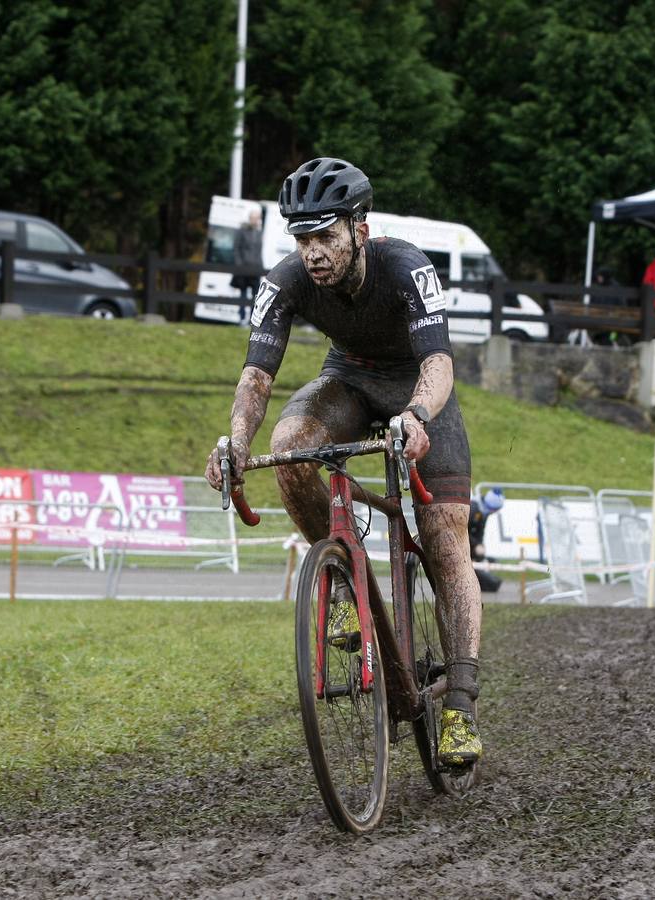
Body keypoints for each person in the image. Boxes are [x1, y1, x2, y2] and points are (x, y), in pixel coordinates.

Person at [204, 158, 484, 767]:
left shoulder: (407, 267)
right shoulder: (285, 282)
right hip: (350, 381)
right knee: (289, 445)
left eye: (325, 235)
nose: (313, 253)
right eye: (302, 239)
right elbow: (256, 375)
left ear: (359, 228)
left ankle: (460, 702)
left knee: (444, 535)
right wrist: (233, 443)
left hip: (418, 388)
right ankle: (337, 584)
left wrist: (415, 415)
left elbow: (439, 363)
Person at [229, 208, 264, 325]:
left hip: (256, 268)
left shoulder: (259, 233)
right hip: (243, 268)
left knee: (256, 295)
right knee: (243, 294)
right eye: (254, 218)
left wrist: (261, 266)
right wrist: (239, 264)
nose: (256, 220)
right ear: (250, 218)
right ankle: (241, 317)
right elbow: (236, 248)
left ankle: (252, 319)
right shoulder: (242, 231)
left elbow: (259, 251)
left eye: (257, 218)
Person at [468, 488, 504, 592]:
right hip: (463, 545)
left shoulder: (483, 512)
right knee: (492, 584)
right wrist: (476, 545)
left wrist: (479, 546)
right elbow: (461, 531)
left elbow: (480, 532)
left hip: (470, 545)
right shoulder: (474, 509)